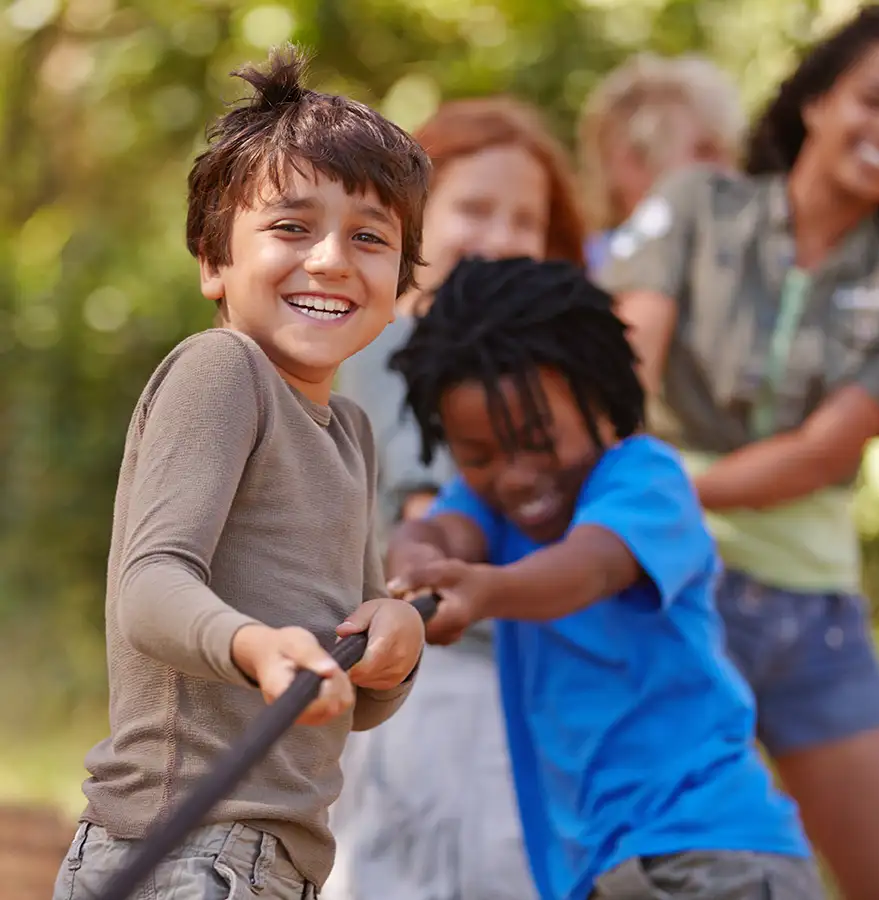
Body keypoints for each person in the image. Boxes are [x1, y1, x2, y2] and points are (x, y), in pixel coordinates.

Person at [52, 46, 430, 900]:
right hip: (186, 845)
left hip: (269, 858)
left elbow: (345, 692)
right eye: (292, 227)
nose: (332, 260)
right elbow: (147, 587)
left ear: (399, 281)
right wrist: (253, 645)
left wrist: (392, 651)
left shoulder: (349, 432)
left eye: (369, 238)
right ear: (214, 261)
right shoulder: (224, 370)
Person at [384, 255, 825, 900]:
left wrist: (485, 590)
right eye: (477, 456)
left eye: (538, 439)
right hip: (597, 873)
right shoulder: (488, 510)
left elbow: (587, 568)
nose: (515, 475)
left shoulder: (645, 480)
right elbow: (432, 533)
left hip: (709, 855)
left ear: (600, 398)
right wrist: (416, 570)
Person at [601, 5, 879, 899]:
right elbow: (623, 365)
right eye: (875, 99)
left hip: (814, 615)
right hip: (670, 592)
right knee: (654, 871)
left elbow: (818, 454)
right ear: (817, 98)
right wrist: (643, 507)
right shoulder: (698, 205)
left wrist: (663, 490)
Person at [330, 97, 586, 900]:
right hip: (437, 683)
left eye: (526, 221)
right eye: (474, 208)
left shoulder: (543, 374)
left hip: (521, 677)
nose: (501, 236)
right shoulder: (400, 344)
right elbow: (426, 521)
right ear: (413, 220)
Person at [577, 53, 744, 276]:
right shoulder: (583, 277)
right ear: (630, 162)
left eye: (729, 155)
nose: (730, 173)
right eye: (704, 152)